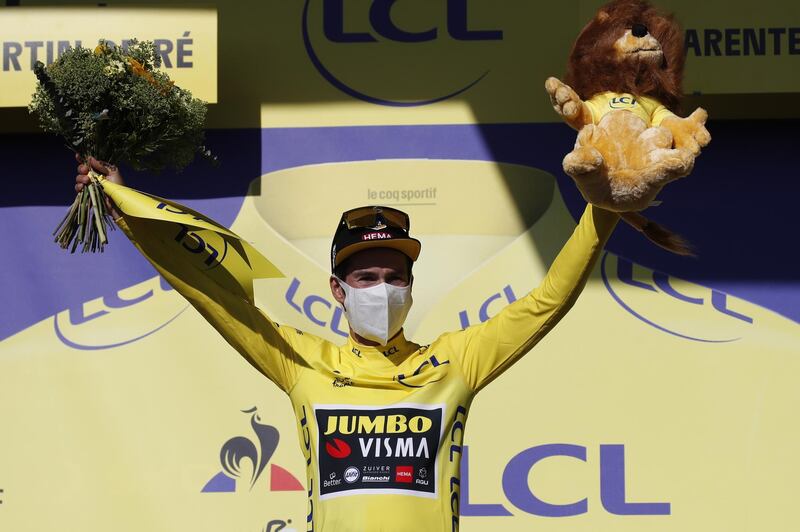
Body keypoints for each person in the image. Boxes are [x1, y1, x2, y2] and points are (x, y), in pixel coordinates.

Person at [76, 157, 619, 531]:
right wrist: (130, 215)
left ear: (410, 285)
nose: (382, 289)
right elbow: (216, 299)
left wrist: (603, 209)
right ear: (337, 289)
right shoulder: (303, 362)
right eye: (365, 278)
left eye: (394, 275)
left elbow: (547, 300)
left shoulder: (456, 362)